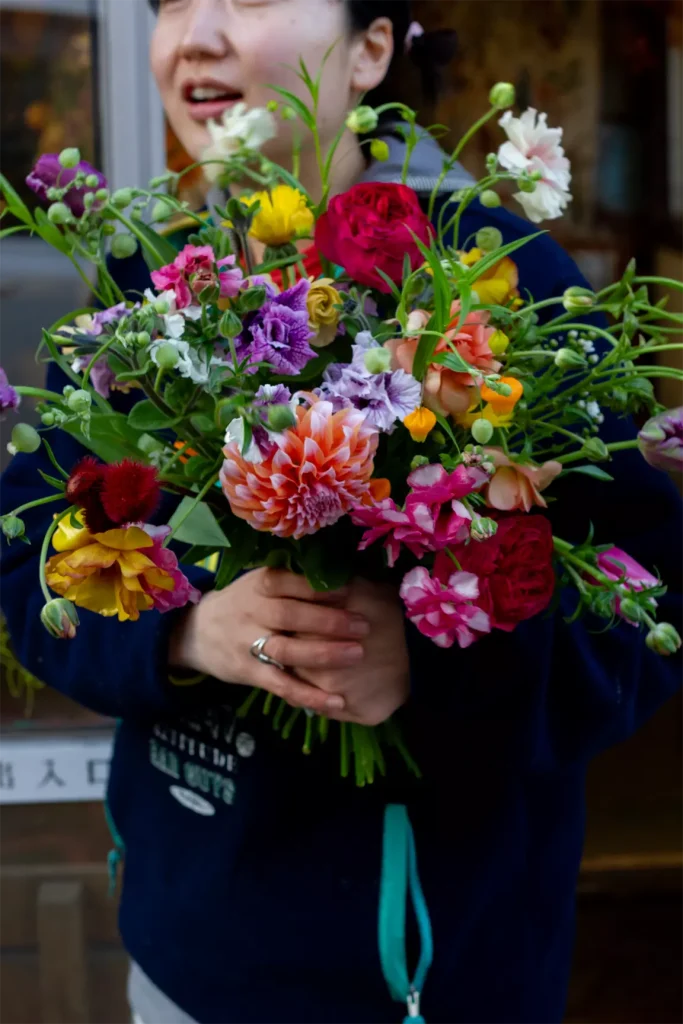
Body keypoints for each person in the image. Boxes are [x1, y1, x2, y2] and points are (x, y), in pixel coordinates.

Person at [0, 2, 681, 1022]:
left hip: (436, 981)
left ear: (369, 51)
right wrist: (182, 628)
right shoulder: (137, 299)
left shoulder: (495, 280)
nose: (196, 34)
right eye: (173, 1)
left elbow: (645, 609)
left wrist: (436, 663)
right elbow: (27, 567)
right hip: (189, 962)